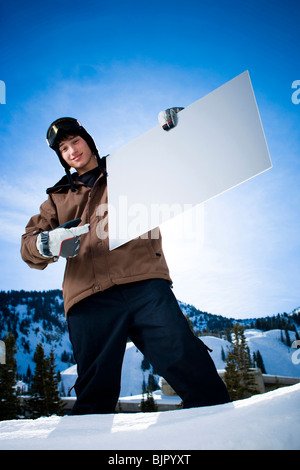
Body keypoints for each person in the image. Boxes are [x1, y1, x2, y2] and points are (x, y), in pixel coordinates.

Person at [21, 115, 230, 414]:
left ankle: (224, 434)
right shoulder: (57, 198)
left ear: (88, 140)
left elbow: (175, 164)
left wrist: (182, 130)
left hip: (143, 282)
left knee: (189, 364)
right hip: (88, 296)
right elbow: (28, 243)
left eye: (75, 141)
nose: (71, 151)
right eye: (63, 148)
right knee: (95, 391)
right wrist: (47, 243)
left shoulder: (128, 168)